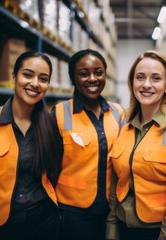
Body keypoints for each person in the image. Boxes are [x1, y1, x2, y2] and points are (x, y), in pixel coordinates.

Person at [0, 51, 62, 240]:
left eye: (43, 79)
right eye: (28, 74)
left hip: (43, 220)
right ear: (14, 77)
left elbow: (54, 169)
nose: (35, 83)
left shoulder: (51, 125)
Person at [106, 50, 166, 240]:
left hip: (157, 231)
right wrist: (112, 229)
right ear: (132, 83)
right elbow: (117, 185)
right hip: (123, 228)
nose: (146, 85)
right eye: (140, 77)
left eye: (156, 78)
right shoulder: (125, 126)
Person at [52, 49, 125, 240]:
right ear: (73, 78)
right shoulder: (59, 114)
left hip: (112, 208)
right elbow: (48, 166)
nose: (92, 79)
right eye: (84, 74)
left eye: (98, 72)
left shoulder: (118, 113)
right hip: (74, 211)